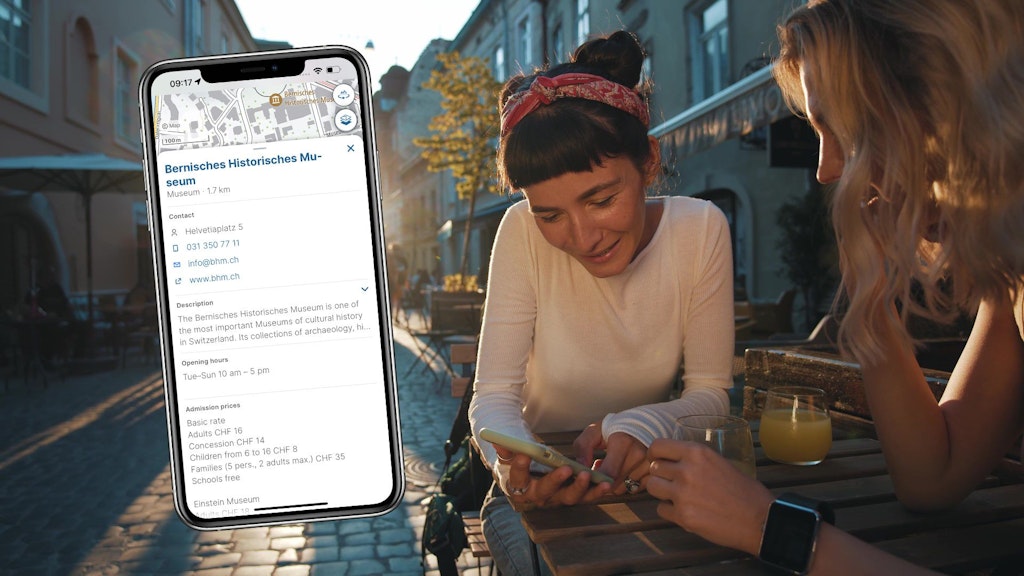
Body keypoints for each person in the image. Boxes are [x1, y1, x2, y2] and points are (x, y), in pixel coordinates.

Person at [646, 1, 1024, 574]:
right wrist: (871, 298)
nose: (826, 168)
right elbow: (934, 477)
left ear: (937, 100)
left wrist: (769, 528)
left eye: (840, 128)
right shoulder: (1012, 280)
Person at [468, 31, 736, 575]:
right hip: (532, 497)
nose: (582, 236)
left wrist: (638, 426)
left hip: (647, 479)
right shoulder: (518, 230)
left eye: (602, 199)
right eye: (551, 215)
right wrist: (516, 470)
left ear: (649, 162)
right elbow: (493, 397)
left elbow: (712, 397)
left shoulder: (701, 228)